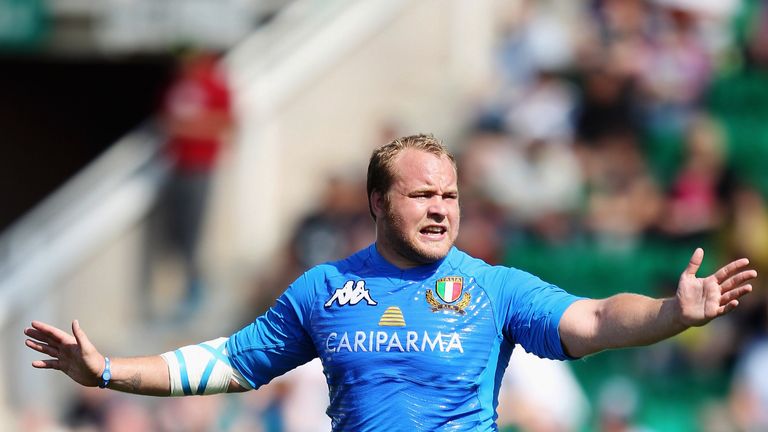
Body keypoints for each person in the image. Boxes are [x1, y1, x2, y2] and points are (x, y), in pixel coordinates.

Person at [24, 134, 756, 431]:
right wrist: (109, 371)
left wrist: (671, 312)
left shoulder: (494, 287)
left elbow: (593, 320)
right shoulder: (322, 289)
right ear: (378, 203)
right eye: (422, 195)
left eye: (450, 195)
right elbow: (228, 363)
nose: (441, 209)